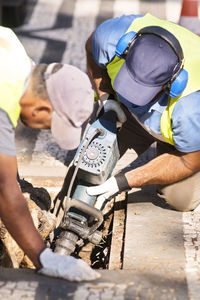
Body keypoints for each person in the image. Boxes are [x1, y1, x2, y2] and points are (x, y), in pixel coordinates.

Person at [0, 26, 100, 281]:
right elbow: (4, 187)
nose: (46, 130)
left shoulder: (15, 55)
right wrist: (44, 258)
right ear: (41, 108)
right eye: (50, 125)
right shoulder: (4, 95)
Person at [86, 13, 200, 212]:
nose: (130, 93)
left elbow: (189, 160)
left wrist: (123, 182)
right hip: (128, 115)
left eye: (141, 91)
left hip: (187, 139)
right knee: (88, 163)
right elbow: (91, 49)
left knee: (181, 199)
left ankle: (162, 154)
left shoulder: (190, 107)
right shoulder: (111, 38)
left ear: (172, 83)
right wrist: (107, 99)